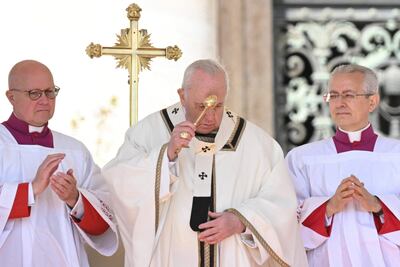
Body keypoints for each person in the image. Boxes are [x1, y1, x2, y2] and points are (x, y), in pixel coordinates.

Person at [103, 59, 307, 267]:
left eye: (218, 106)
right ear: (182, 96)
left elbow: (281, 205)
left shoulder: (258, 145)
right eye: (201, 106)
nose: (210, 117)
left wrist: (242, 221)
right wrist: (166, 155)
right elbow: (117, 181)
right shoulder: (149, 132)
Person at [0, 60, 118, 266]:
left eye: (50, 92)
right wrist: (30, 190)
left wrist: (76, 199)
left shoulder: (75, 150)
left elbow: (103, 224)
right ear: (11, 97)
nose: (45, 100)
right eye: (34, 93)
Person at [286, 64, 400, 266]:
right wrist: (329, 207)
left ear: (372, 101)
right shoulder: (302, 159)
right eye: (333, 95)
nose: (339, 103)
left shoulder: (395, 155)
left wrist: (379, 207)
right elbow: (285, 225)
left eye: (348, 95)